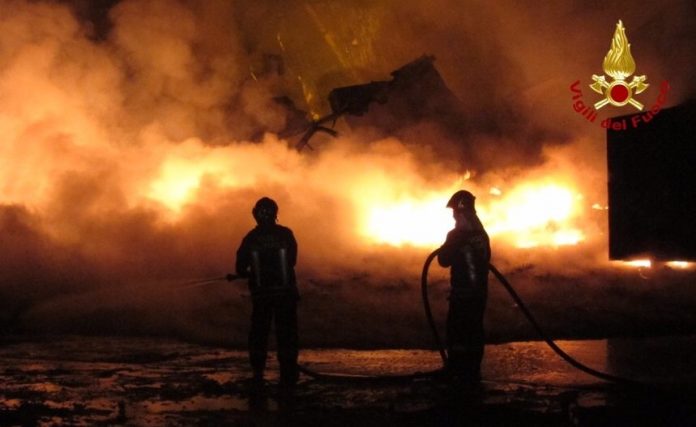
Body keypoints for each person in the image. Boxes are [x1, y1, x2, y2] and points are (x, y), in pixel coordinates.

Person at [235, 197, 299, 386]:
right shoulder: (285, 234)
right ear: (275, 214)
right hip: (285, 294)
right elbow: (292, 260)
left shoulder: (251, 238)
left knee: (259, 334)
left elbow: (240, 267)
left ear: (256, 214)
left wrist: (249, 272)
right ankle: (288, 370)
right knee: (286, 333)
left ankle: (258, 372)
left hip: (262, 296)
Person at [437, 190, 491, 383]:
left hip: (462, 295)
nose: (453, 215)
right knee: (474, 332)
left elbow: (443, 260)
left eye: (454, 211)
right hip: (479, 295)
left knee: (457, 332)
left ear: (459, 211)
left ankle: (457, 370)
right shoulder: (482, 235)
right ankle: (472, 371)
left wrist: (451, 242)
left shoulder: (457, 235)